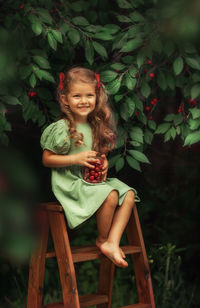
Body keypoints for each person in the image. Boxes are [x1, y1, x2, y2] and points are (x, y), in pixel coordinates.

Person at [40, 67, 140, 268]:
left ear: (97, 97)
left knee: (128, 194)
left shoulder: (95, 125)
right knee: (110, 194)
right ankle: (102, 241)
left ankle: (113, 240)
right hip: (70, 182)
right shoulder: (63, 127)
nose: (84, 101)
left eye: (89, 95)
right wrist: (75, 159)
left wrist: (103, 162)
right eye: (77, 96)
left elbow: (98, 155)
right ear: (65, 99)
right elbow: (47, 159)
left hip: (90, 182)